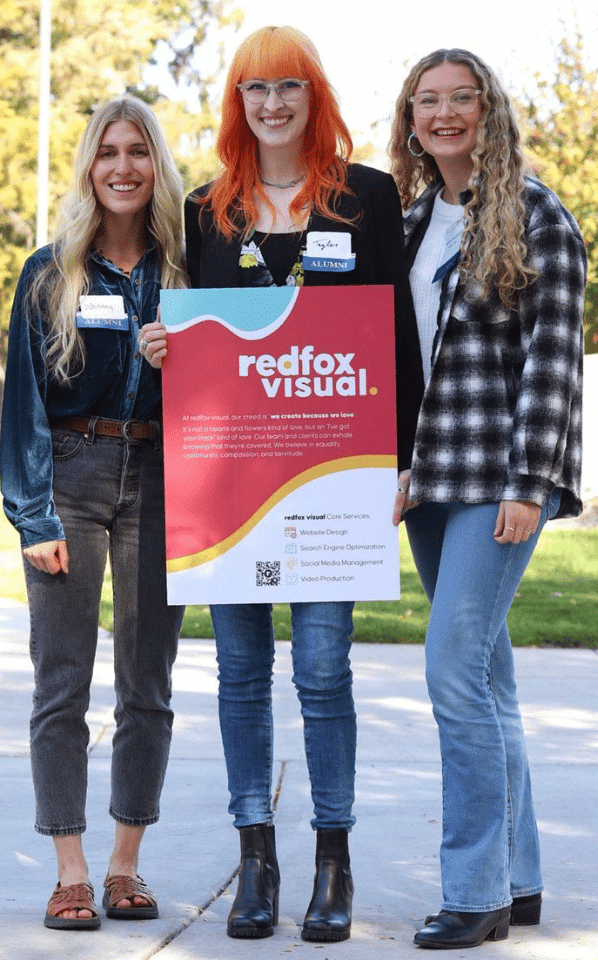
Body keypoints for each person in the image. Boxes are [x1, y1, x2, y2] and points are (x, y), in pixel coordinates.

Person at [140, 25, 423, 942]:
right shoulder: (204, 211)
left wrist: (408, 454)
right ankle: (254, 858)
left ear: (314, 96)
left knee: (324, 670)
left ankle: (331, 864)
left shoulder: (368, 198)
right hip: (229, 494)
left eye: (288, 87)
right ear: (238, 101)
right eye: (255, 88)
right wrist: (159, 347)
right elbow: (186, 334)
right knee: (239, 673)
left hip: (334, 486)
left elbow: (399, 341)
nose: (272, 104)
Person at [389, 49, 586, 949]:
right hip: (430, 484)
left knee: (450, 673)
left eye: (458, 98)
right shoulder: (411, 221)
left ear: (487, 108)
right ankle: (525, 876)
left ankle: (476, 893)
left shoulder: (537, 215)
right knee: (491, 680)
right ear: (412, 119)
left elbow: (551, 368)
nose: (442, 114)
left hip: (499, 480)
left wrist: (530, 484)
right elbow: (391, 363)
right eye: (426, 101)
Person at [0, 97, 187, 929]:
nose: (123, 167)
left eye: (138, 152)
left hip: (161, 479)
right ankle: (69, 869)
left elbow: (231, 396)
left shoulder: (187, 271)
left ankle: (124, 867)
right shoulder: (48, 271)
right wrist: (32, 516)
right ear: (88, 164)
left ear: (158, 167)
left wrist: (183, 361)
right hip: (69, 476)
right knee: (61, 683)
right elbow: (22, 405)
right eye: (108, 151)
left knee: (147, 682)